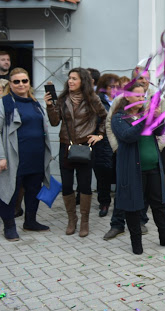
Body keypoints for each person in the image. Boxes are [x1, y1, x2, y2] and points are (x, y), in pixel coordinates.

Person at [111, 82, 165, 254]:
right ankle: (136, 243)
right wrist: (145, 119)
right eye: (138, 95)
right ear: (127, 96)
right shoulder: (119, 117)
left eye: (144, 96)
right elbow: (128, 136)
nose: (142, 99)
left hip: (154, 166)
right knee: (133, 206)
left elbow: (160, 131)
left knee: (159, 205)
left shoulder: (144, 114)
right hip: (132, 170)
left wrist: (157, 119)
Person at [44, 68, 107, 237]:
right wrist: (50, 106)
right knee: (66, 185)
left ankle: (84, 221)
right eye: (69, 78)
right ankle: (72, 219)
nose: (70, 81)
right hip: (66, 145)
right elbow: (55, 121)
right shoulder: (63, 98)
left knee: (85, 185)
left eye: (74, 79)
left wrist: (99, 135)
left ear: (83, 81)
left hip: (85, 146)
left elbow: (105, 117)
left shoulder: (92, 99)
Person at [103, 67, 160, 240]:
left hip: (147, 153)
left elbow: (163, 125)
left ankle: (140, 221)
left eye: (146, 79)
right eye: (140, 78)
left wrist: (157, 148)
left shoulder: (156, 98)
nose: (144, 81)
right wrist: (117, 147)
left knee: (145, 193)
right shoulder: (122, 100)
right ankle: (117, 224)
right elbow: (109, 124)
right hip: (127, 153)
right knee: (124, 190)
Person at [0, 68, 53, 241]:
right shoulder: (4, 103)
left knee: (33, 190)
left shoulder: (35, 102)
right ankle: (9, 227)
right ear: (10, 84)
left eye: (24, 81)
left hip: (36, 156)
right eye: (16, 81)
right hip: (14, 157)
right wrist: (1, 157)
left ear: (29, 82)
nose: (21, 84)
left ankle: (30, 222)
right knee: (10, 192)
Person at [94, 73, 120, 217]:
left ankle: (118, 204)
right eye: (111, 86)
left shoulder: (122, 101)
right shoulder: (97, 101)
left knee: (119, 174)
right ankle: (104, 203)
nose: (115, 89)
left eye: (117, 86)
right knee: (103, 175)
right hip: (102, 143)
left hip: (119, 142)